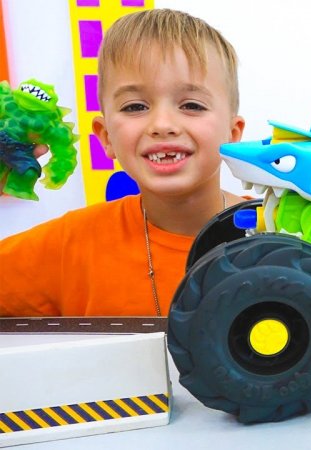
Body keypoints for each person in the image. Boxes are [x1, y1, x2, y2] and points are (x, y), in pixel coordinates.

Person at [0, 9, 246, 316]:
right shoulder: (71, 246)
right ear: (106, 137)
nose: (162, 124)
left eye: (192, 105)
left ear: (233, 133)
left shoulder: (284, 234)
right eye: (135, 107)